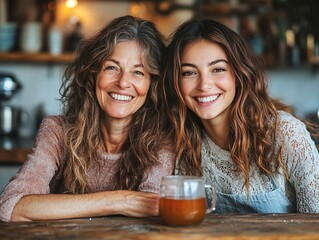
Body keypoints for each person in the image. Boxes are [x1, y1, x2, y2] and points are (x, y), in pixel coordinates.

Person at [0, 15, 174, 222]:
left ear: (152, 85)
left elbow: (152, 206)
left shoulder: (162, 139)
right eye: (112, 68)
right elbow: (11, 206)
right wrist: (121, 200)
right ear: (93, 73)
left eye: (138, 72)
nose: (123, 82)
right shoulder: (57, 131)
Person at [162, 18, 319, 213]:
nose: (204, 84)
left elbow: (314, 224)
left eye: (218, 69)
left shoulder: (285, 134)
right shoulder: (181, 143)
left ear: (239, 74)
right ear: (175, 82)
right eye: (189, 73)